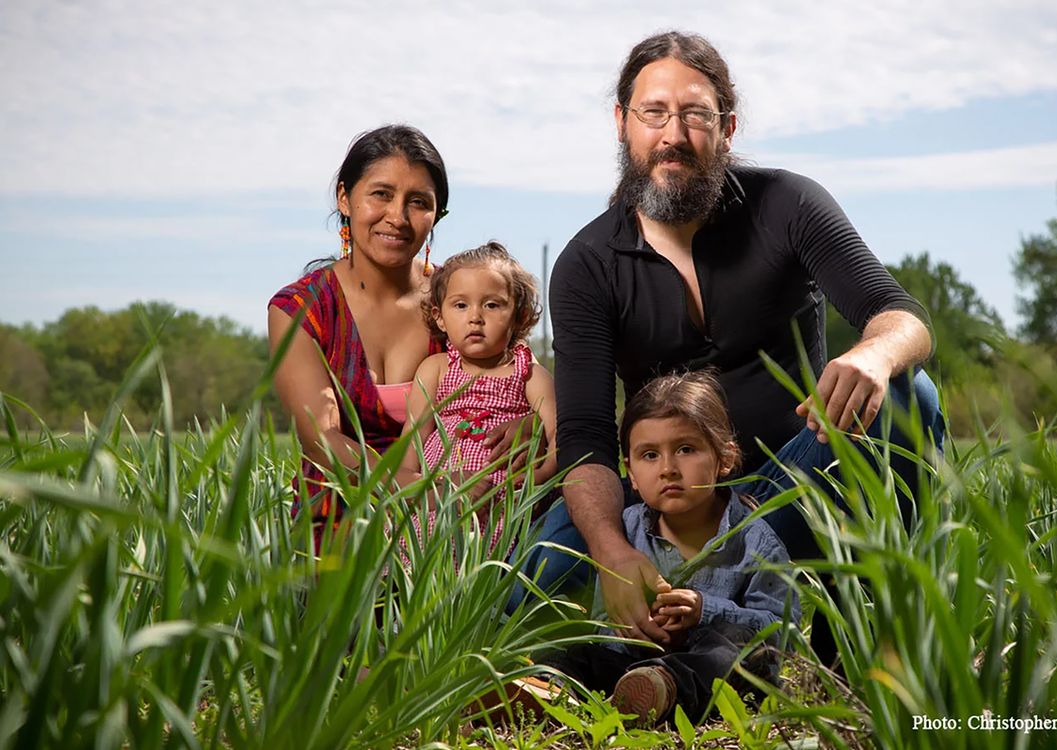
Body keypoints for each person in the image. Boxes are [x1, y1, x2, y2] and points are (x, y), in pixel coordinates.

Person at [539, 31, 946, 653]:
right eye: (654, 113)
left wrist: (874, 352)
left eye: (695, 114)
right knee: (548, 553)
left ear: (726, 127)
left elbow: (902, 315)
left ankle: (857, 631)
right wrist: (615, 551)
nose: (673, 134)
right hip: (666, 506)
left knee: (907, 393)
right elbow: (587, 442)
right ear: (623, 123)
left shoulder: (787, 202)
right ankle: (557, 660)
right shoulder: (586, 263)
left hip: (793, 485)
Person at [268, 124, 529, 553]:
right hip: (340, 518)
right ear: (344, 198)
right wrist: (419, 487)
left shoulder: (462, 301)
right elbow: (322, 438)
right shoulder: (302, 309)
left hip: (463, 522)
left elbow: (518, 379)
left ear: (437, 214)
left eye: (418, 203)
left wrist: (530, 423)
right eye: (381, 194)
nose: (398, 217)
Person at [541, 371, 796, 725]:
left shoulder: (755, 539)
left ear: (724, 458)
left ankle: (663, 686)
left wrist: (704, 611)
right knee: (578, 649)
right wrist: (636, 626)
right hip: (631, 664)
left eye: (686, 450)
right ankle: (549, 686)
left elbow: (784, 632)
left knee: (736, 648)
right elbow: (603, 621)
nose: (668, 469)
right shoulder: (625, 533)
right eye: (649, 455)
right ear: (629, 471)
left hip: (714, 674)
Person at [399, 241, 557, 551]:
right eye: (460, 305)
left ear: (520, 317)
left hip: (507, 505)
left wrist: (539, 478)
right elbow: (407, 456)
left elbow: (559, 432)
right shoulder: (435, 370)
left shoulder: (529, 375)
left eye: (492, 305)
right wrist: (437, 492)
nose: (475, 317)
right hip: (443, 498)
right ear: (439, 316)